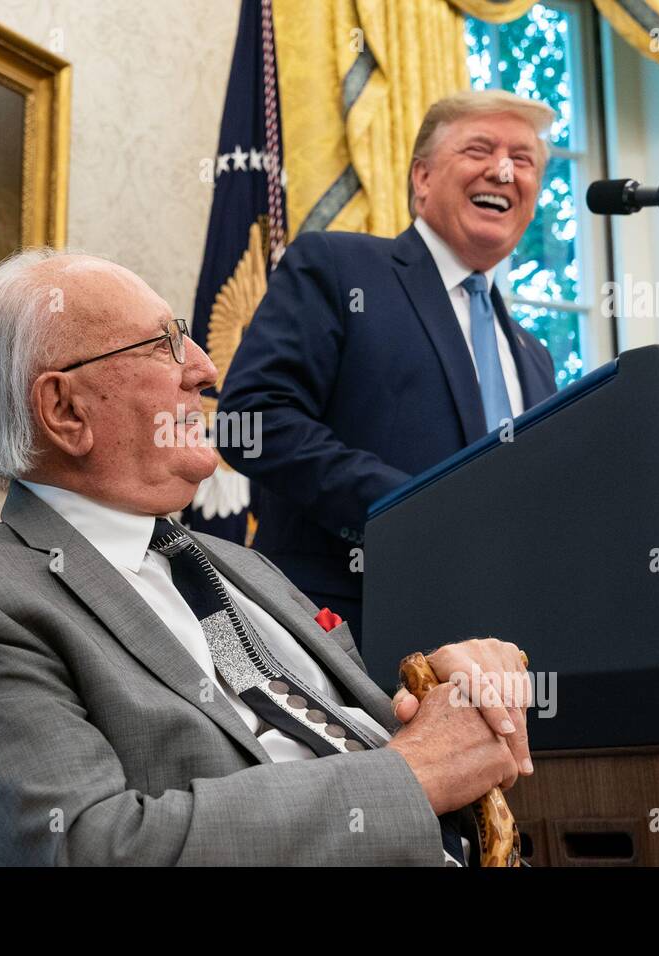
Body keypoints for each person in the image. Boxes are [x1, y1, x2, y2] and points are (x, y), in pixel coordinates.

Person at [0, 247, 534, 866]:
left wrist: (443, 691)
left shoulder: (246, 569)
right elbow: (88, 849)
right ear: (65, 409)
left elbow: (353, 740)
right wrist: (413, 775)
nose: (206, 369)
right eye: (164, 344)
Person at [217, 90, 559, 646]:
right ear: (421, 178)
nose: (503, 170)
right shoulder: (337, 266)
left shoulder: (535, 355)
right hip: (345, 637)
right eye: (480, 149)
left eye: (522, 160)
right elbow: (250, 423)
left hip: (501, 655)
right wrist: (414, 513)